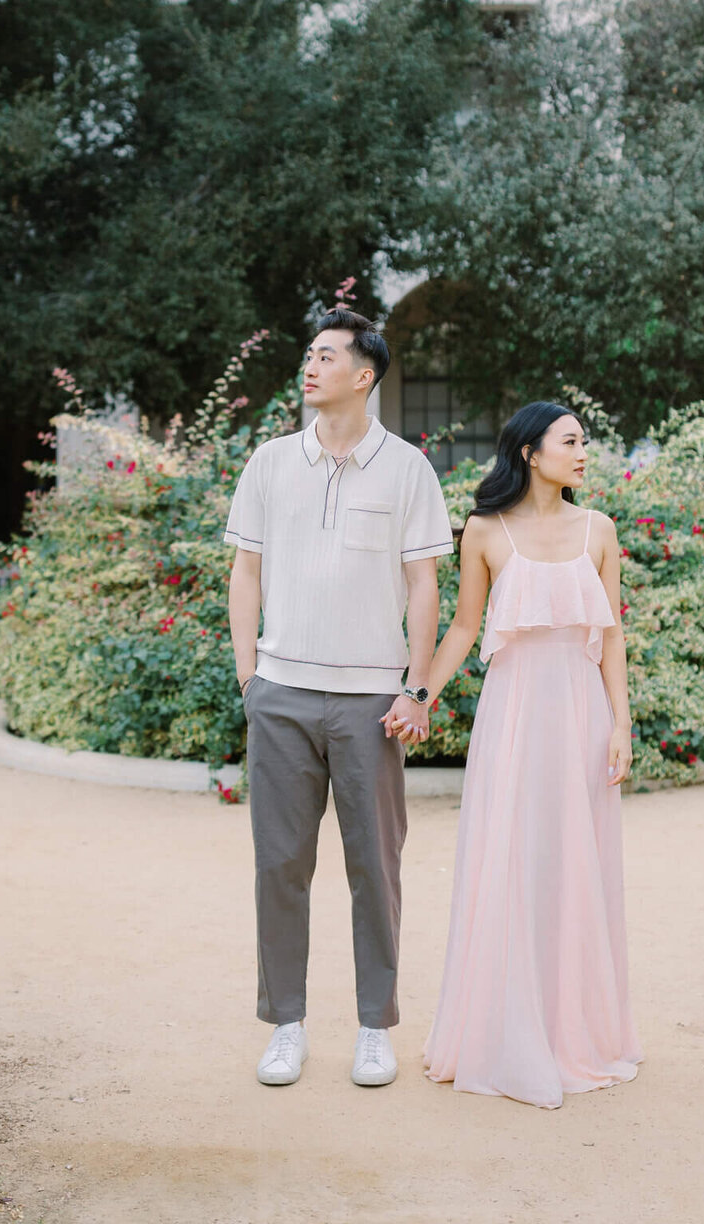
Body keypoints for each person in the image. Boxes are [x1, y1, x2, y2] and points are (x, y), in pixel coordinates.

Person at [225, 308, 453, 1088]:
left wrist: (417, 689)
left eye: (325, 356)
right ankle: (285, 1024)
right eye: (307, 354)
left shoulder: (407, 470)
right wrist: (250, 676)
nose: (309, 368)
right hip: (281, 694)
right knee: (280, 864)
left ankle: (373, 1028)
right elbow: (245, 572)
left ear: (365, 375)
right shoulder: (268, 464)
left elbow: (425, 585)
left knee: (374, 869)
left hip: (371, 703)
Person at [407, 401, 642, 1109]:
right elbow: (465, 626)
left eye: (585, 441)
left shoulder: (599, 531)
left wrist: (622, 722)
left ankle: (576, 1032)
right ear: (531, 452)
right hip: (511, 719)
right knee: (509, 861)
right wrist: (419, 694)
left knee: (574, 864)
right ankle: (502, 1033)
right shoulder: (484, 530)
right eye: (571, 440)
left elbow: (615, 635)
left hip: (580, 713)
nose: (583, 451)